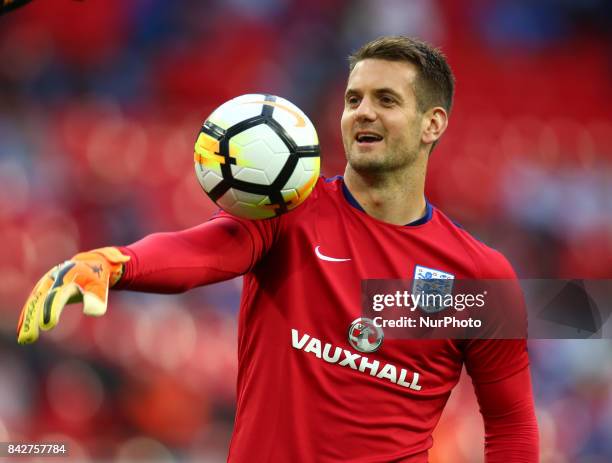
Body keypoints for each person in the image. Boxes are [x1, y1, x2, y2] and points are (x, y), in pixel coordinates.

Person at [18, 36, 539, 462]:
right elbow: (206, 250)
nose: (362, 113)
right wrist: (116, 263)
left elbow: (512, 427)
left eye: (386, 100)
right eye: (353, 99)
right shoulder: (290, 210)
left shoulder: (478, 277)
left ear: (433, 123)